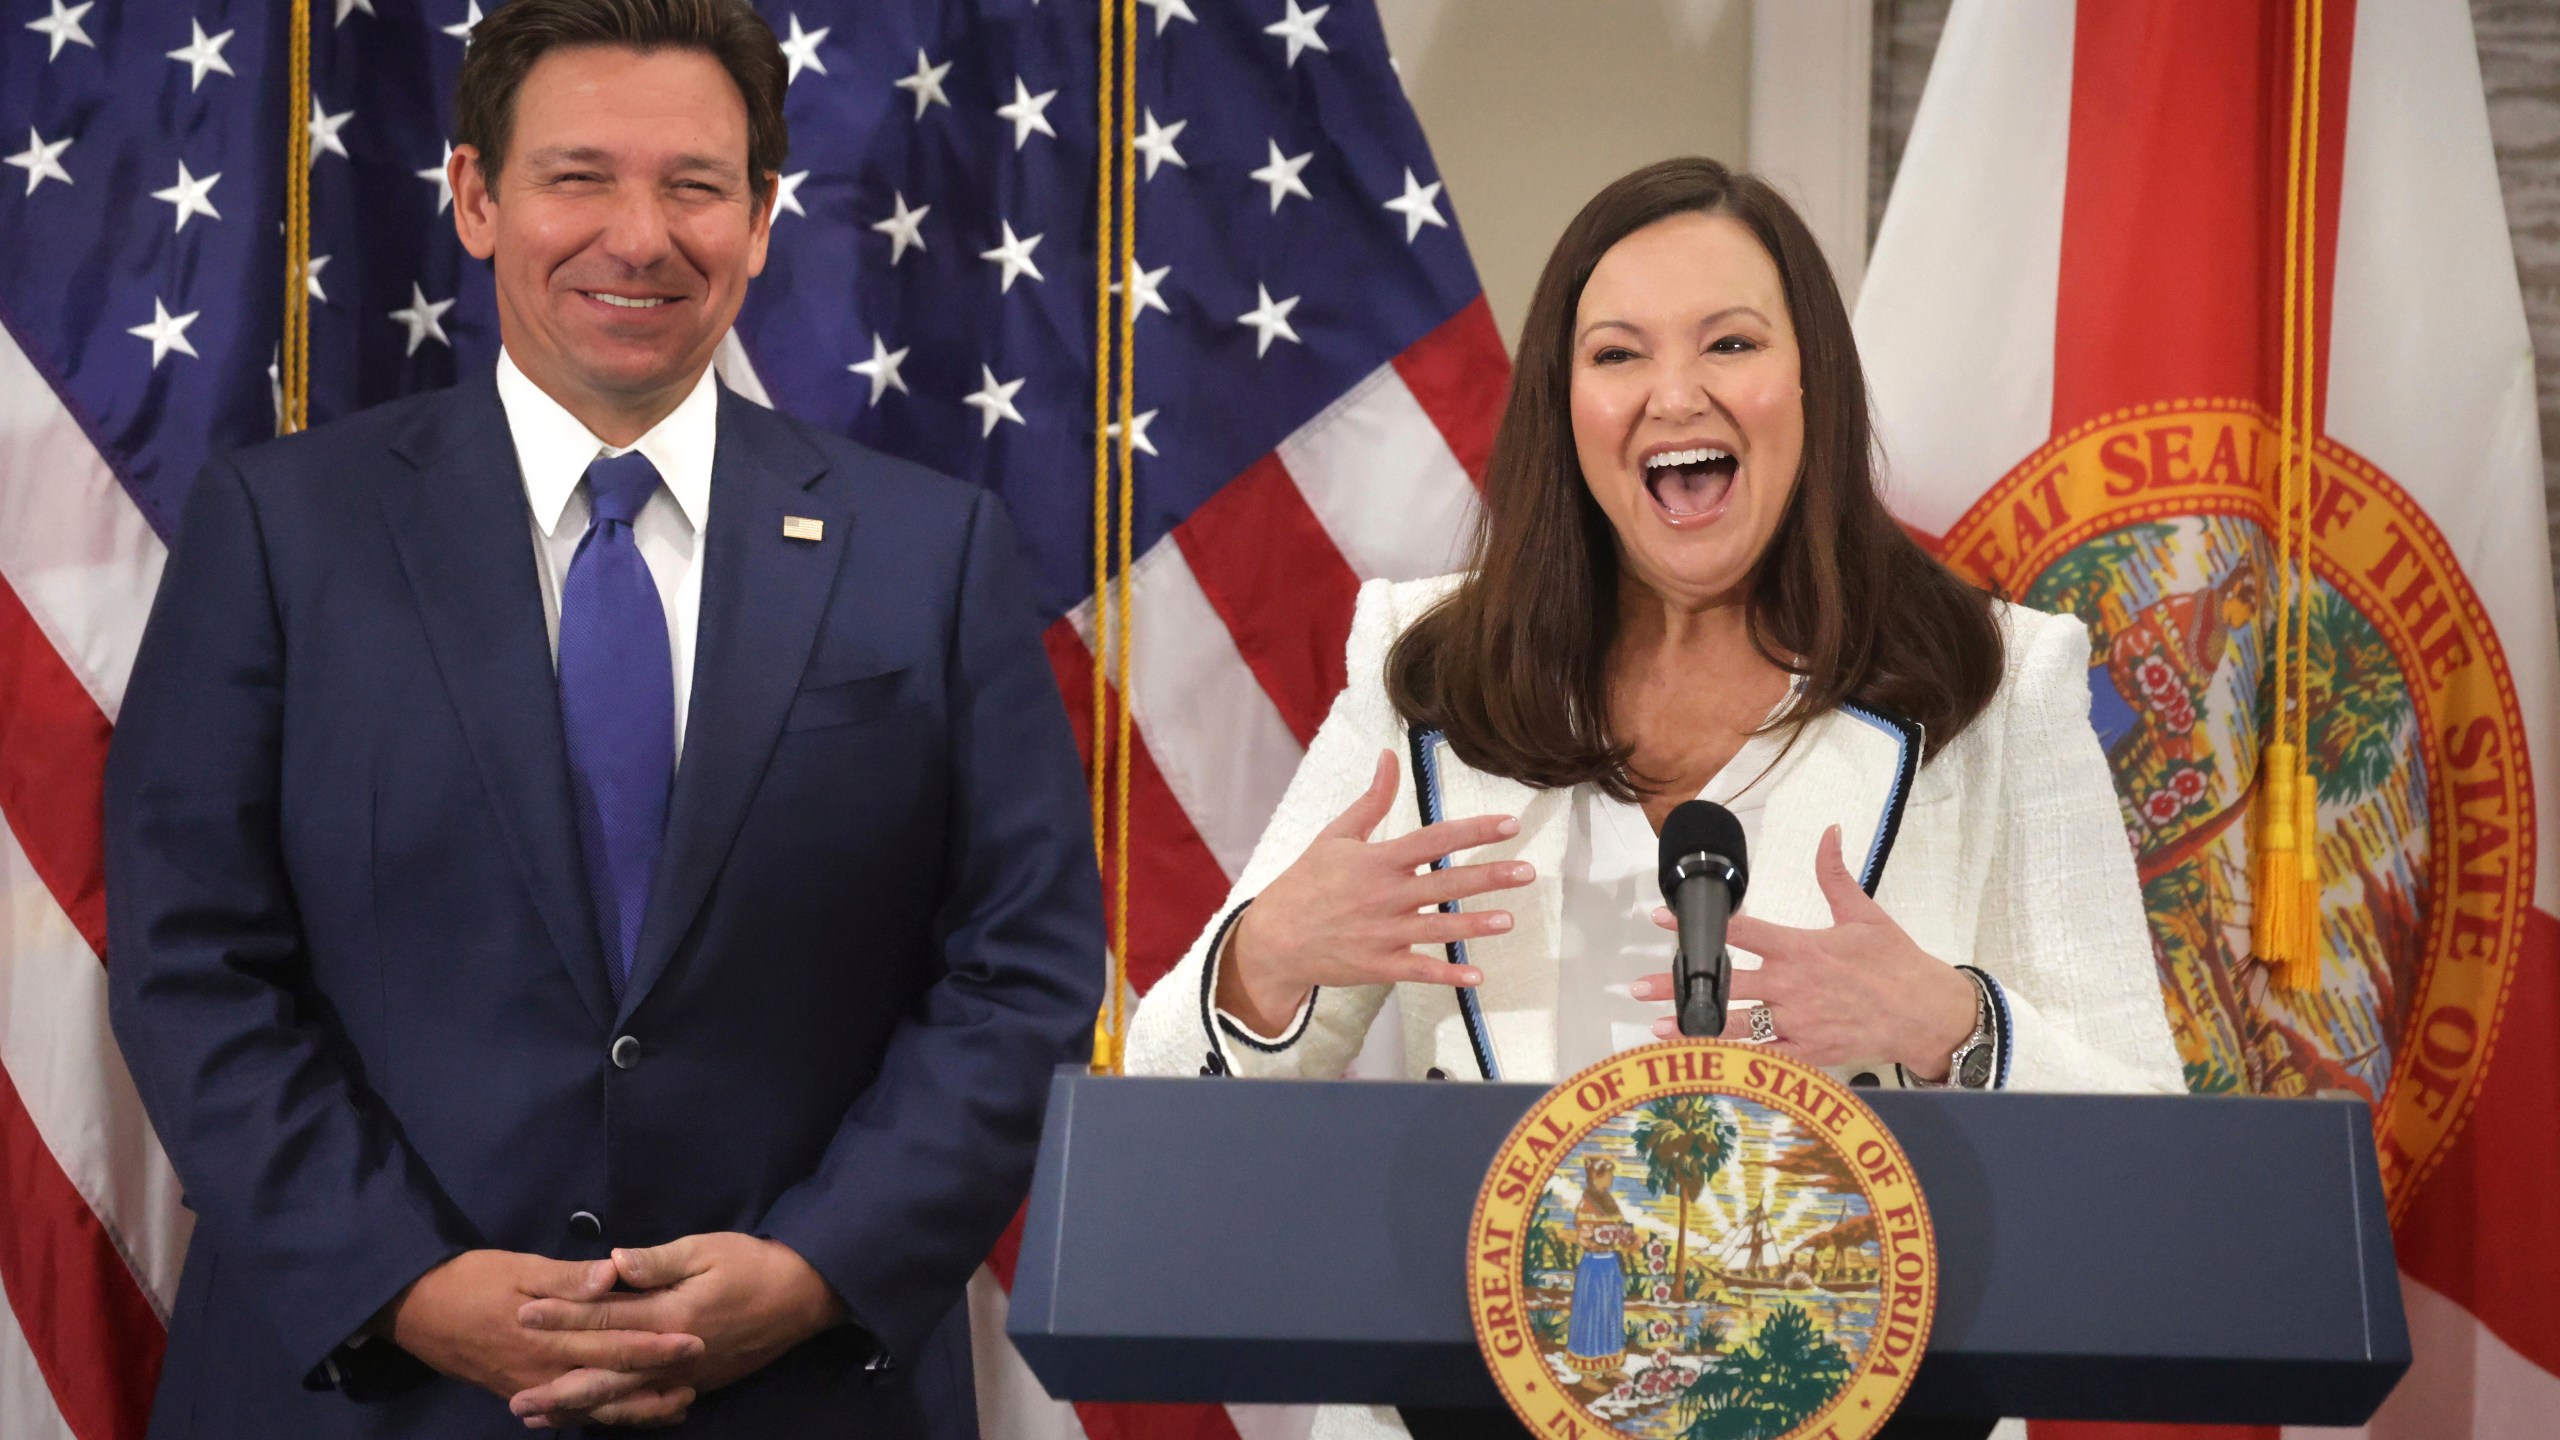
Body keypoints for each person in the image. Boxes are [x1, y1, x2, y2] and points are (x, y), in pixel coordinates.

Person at [103, 1, 1103, 1434]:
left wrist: (819, 1267)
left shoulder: (930, 550)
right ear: (475, 198)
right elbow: (191, 957)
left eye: (695, 185)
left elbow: (1023, 967)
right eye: (579, 177)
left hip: (802, 1393)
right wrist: (407, 1283)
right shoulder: (279, 531)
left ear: (760, 219)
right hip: (369, 1387)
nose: (639, 235)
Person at [1127, 156, 2180, 1098]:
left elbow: (2140, 1131)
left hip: (1870, 1308)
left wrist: (1954, 1028)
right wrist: (1265, 958)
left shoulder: (1997, 679)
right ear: (1565, 405)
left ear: (1811, 382)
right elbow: (1161, 1080)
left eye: (1729, 342)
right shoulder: (1436, 669)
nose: (1673, 395)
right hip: (1495, 1308)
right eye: (1618, 355)